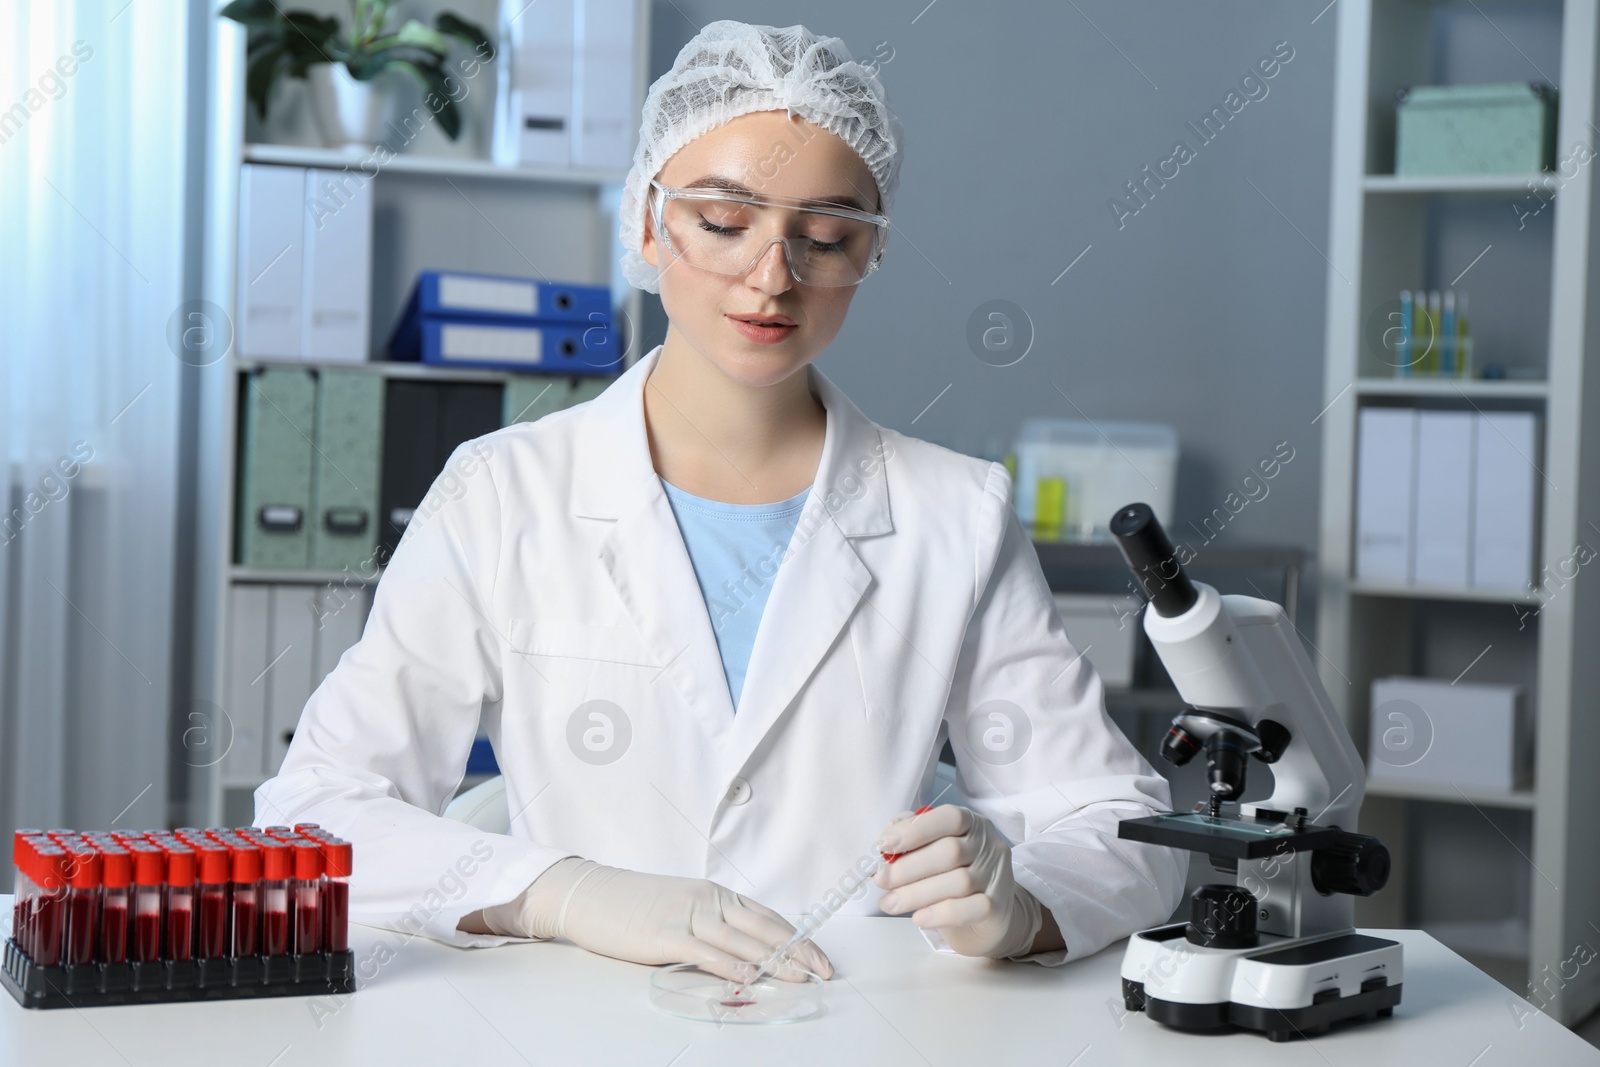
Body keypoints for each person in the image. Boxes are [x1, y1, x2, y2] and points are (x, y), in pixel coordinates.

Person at [256, 19, 1186, 983]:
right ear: (649, 223)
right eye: (725, 222)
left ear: (870, 254)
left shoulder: (956, 511)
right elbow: (315, 814)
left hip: (859, 1026)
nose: (772, 276)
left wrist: (1024, 903)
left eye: (825, 236)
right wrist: (561, 892)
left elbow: (1118, 820)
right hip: (577, 1029)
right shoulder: (501, 493)